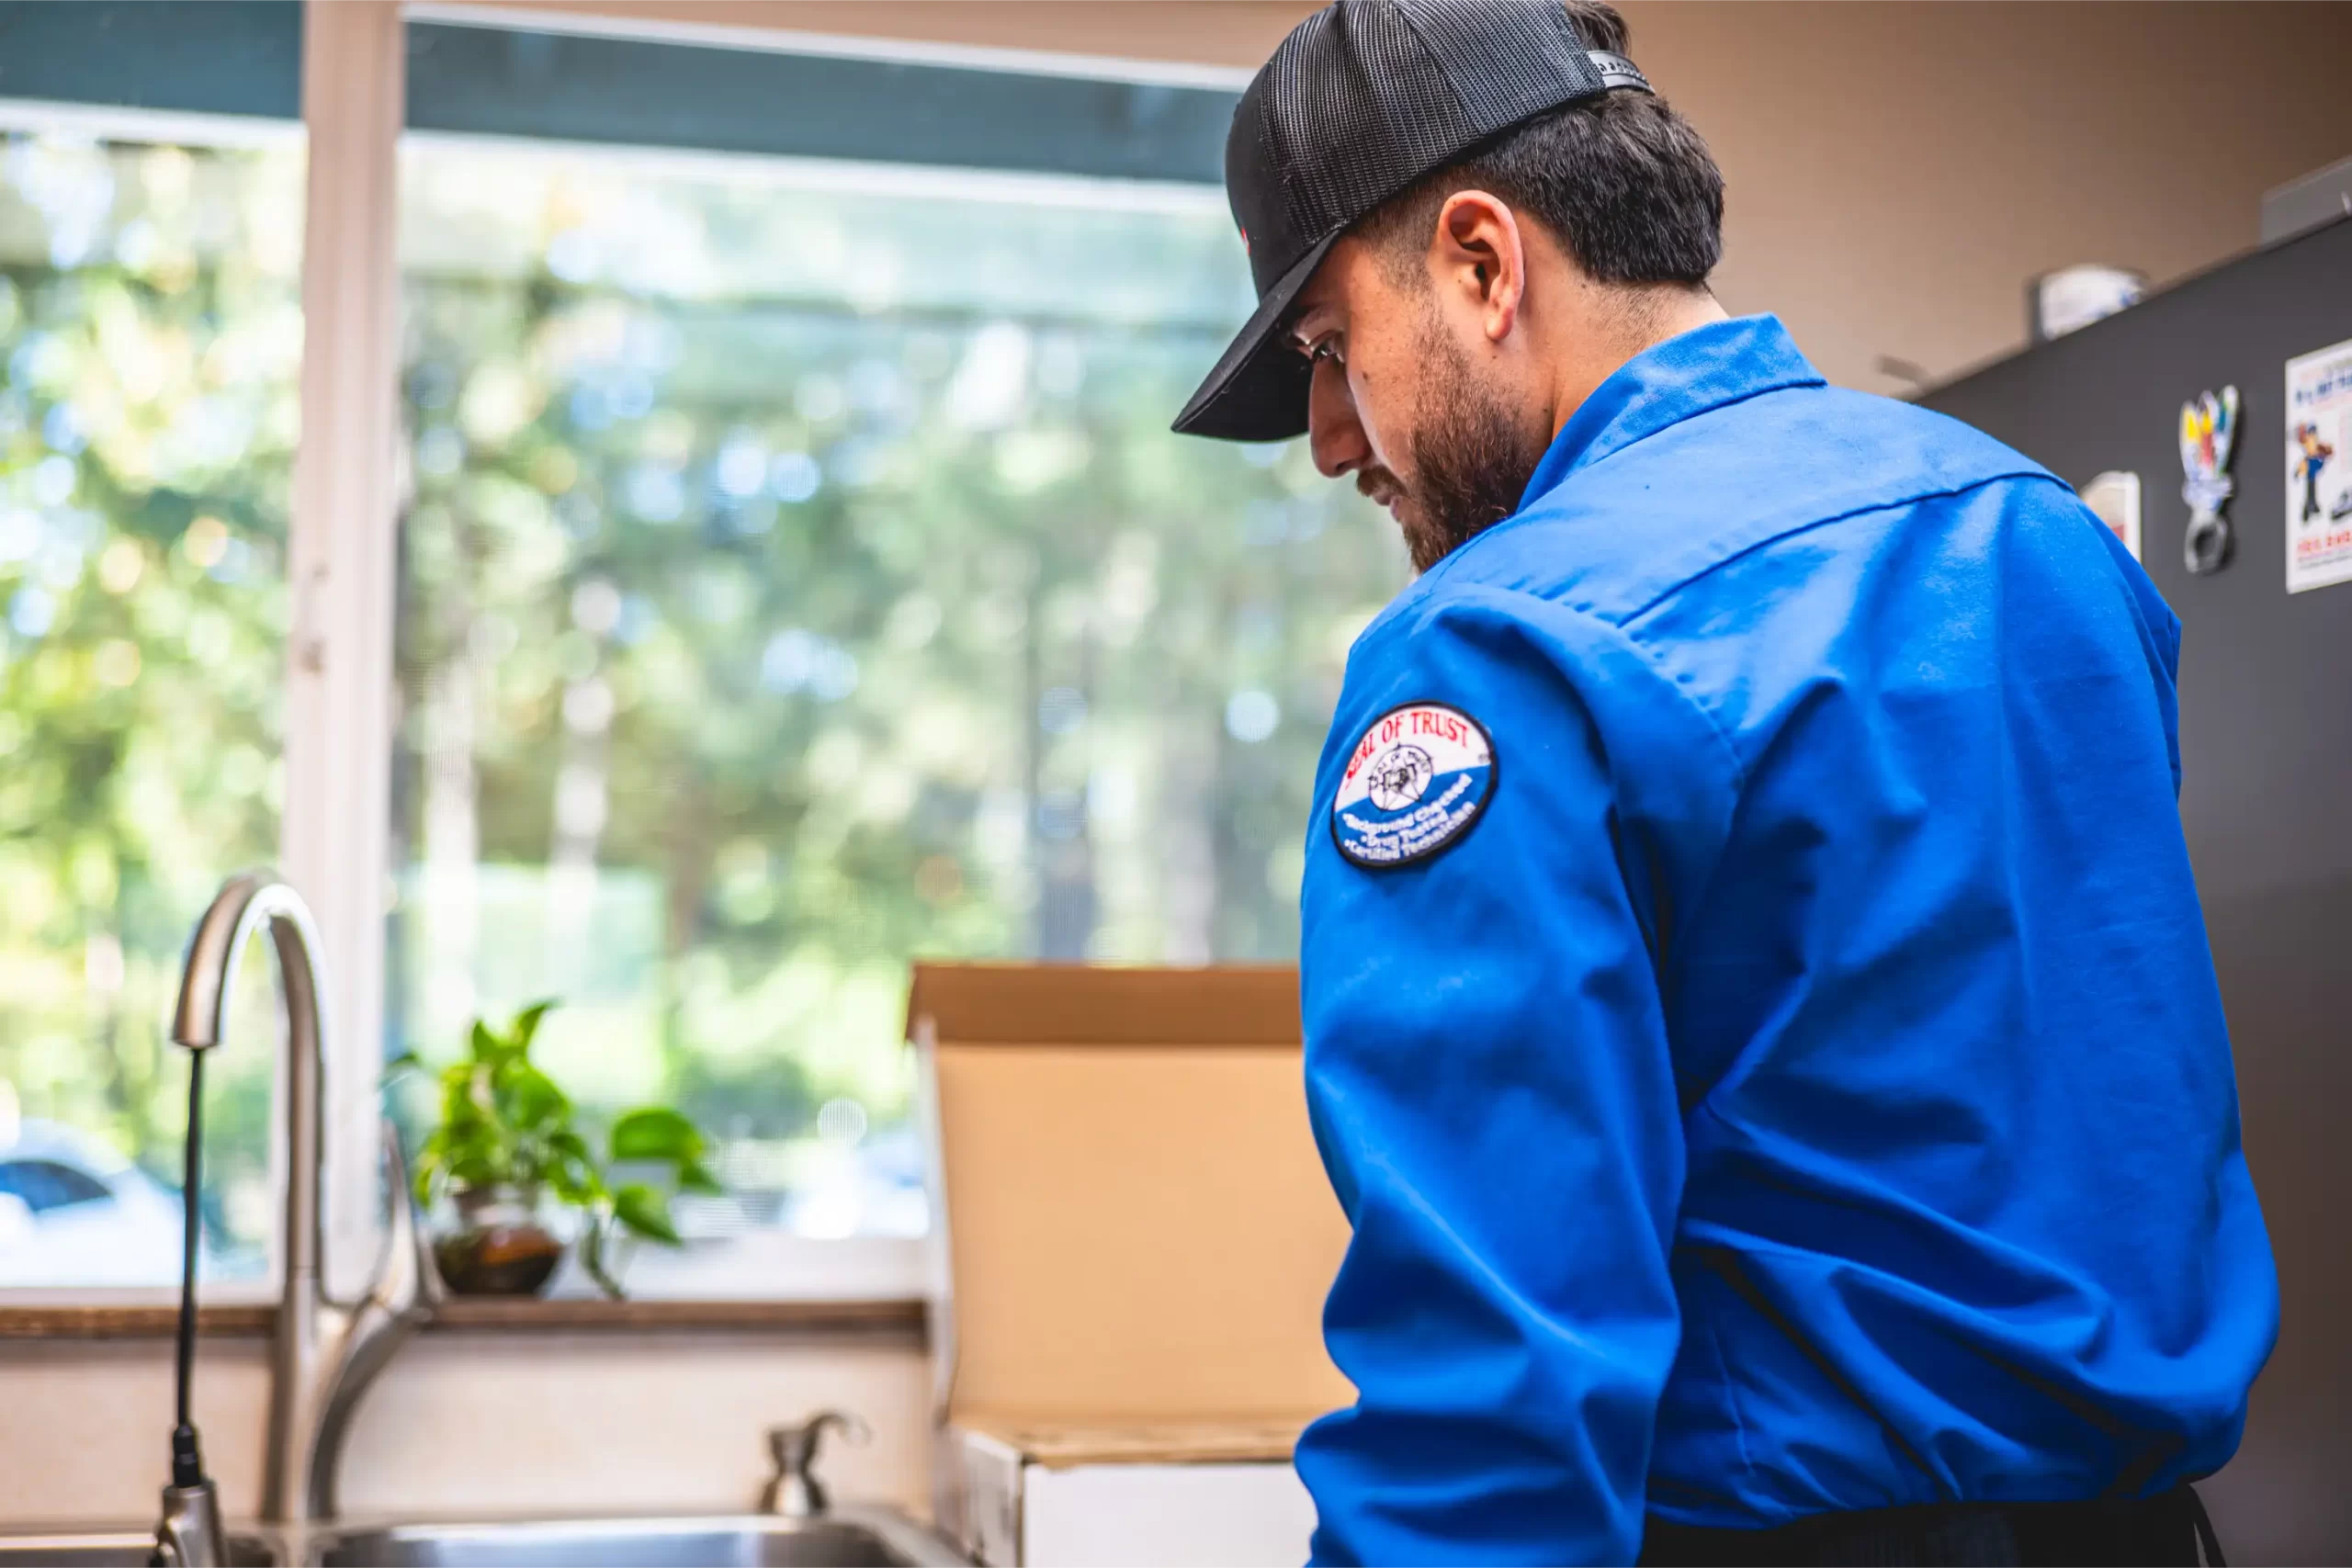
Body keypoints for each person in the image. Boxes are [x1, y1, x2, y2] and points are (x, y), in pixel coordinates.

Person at [1170, 4, 2279, 1566]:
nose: (1332, 439)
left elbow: (1490, 1410)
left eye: (1331, 352)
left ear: (1485, 264)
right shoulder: (2038, 537)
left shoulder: (1495, 651)